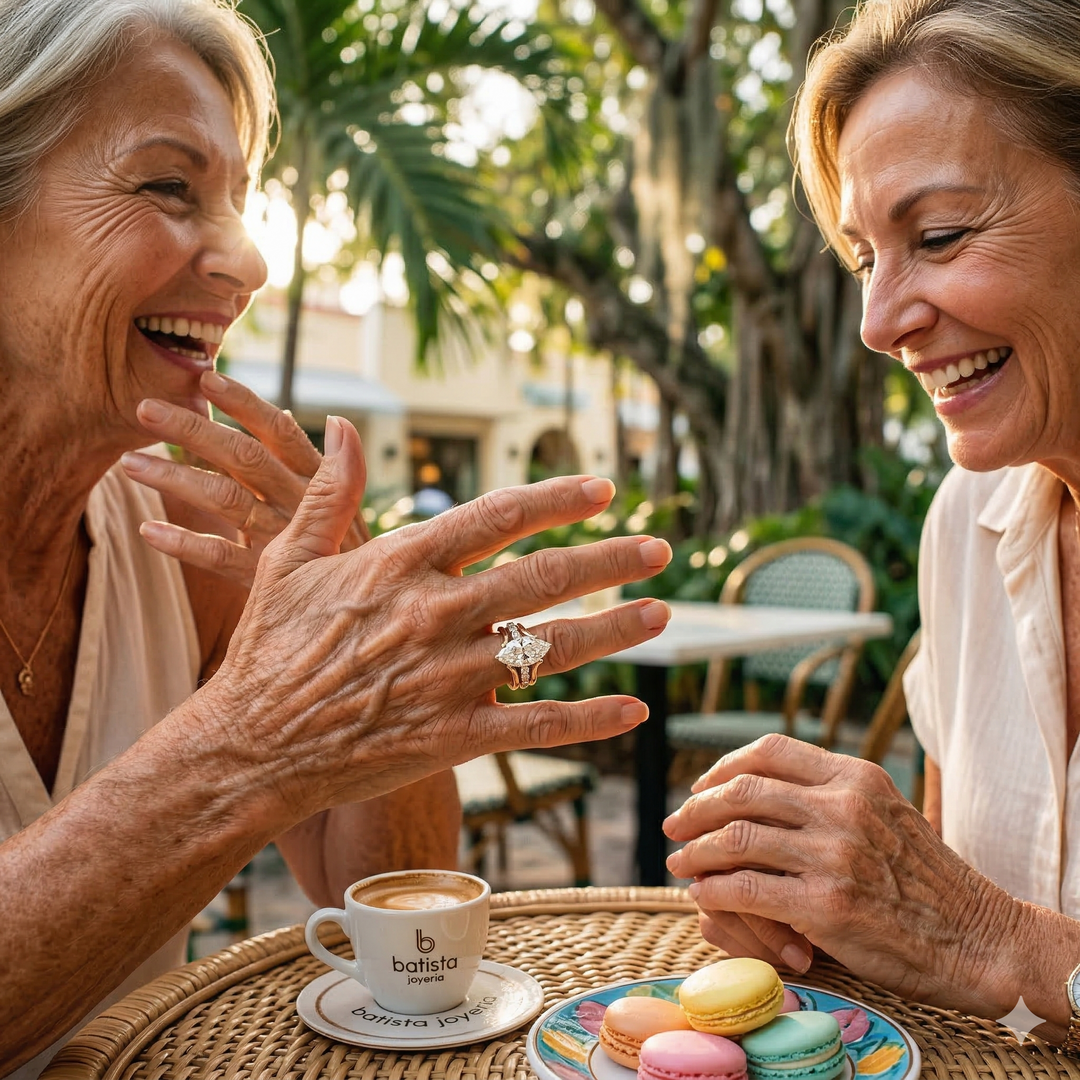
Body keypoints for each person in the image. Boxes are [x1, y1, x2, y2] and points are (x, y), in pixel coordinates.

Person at [0, 1, 675, 1075]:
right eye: (169, 187)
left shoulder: (177, 531)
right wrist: (248, 745)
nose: (248, 261)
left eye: (240, 202)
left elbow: (396, 898)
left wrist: (365, 632)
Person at [663, 0, 1080, 1048]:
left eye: (937, 236)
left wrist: (998, 941)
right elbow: (962, 922)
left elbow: (995, 938)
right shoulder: (966, 521)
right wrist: (852, 922)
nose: (879, 323)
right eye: (863, 260)